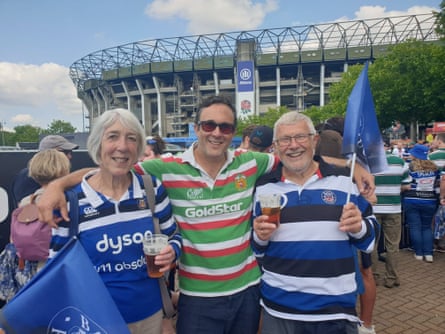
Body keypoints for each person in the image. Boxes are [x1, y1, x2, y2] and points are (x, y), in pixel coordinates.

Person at [37, 96, 375, 334]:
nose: (217, 133)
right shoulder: (164, 168)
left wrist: (353, 169)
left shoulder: (250, 162)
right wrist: (57, 186)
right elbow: (112, 166)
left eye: (226, 128)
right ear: (197, 127)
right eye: (209, 125)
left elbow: (298, 158)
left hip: (248, 290)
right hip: (197, 297)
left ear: (233, 133)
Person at [49, 109, 182, 334]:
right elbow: (58, 270)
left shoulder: (152, 189)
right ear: (97, 144)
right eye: (112, 136)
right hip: (97, 322)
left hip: (151, 318)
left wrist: (173, 251)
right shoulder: (72, 201)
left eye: (131, 138)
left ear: (138, 147)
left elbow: (174, 237)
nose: (122, 146)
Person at [251, 111, 377, 334]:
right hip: (279, 310)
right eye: (285, 140)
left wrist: (359, 228)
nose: (293, 145)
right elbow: (257, 251)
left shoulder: (344, 182)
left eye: (300, 137)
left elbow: (370, 239)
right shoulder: (263, 186)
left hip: (335, 311)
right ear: (276, 147)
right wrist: (259, 237)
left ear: (314, 140)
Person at [314, 117, 378, 334]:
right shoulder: (352, 160)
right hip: (351, 230)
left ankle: (362, 323)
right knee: (363, 273)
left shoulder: (347, 164)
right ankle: (366, 325)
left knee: (357, 276)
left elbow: (370, 198)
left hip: (351, 230)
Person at [372, 149, 409, 289]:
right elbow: (406, 185)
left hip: (374, 209)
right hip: (393, 208)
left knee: (371, 246)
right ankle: (391, 278)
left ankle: (372, 277)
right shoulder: (400, 162)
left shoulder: (369, 162)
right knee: (392, 245)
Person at [10, 135, 78, 209]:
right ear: (49, 154)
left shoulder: (57, 174)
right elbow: (26, 211)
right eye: (65, 152)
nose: (70, 156)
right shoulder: (27, 176)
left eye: (70, 152)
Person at [402, 144, 440, 263]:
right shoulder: (435, 168)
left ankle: (418, 253)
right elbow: (438, 185)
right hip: (430, 200)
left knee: (415, 226)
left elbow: (405, 184)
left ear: (414, 154)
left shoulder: (410, 167)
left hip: (412, 200)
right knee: (427, 227)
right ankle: (428, 254)